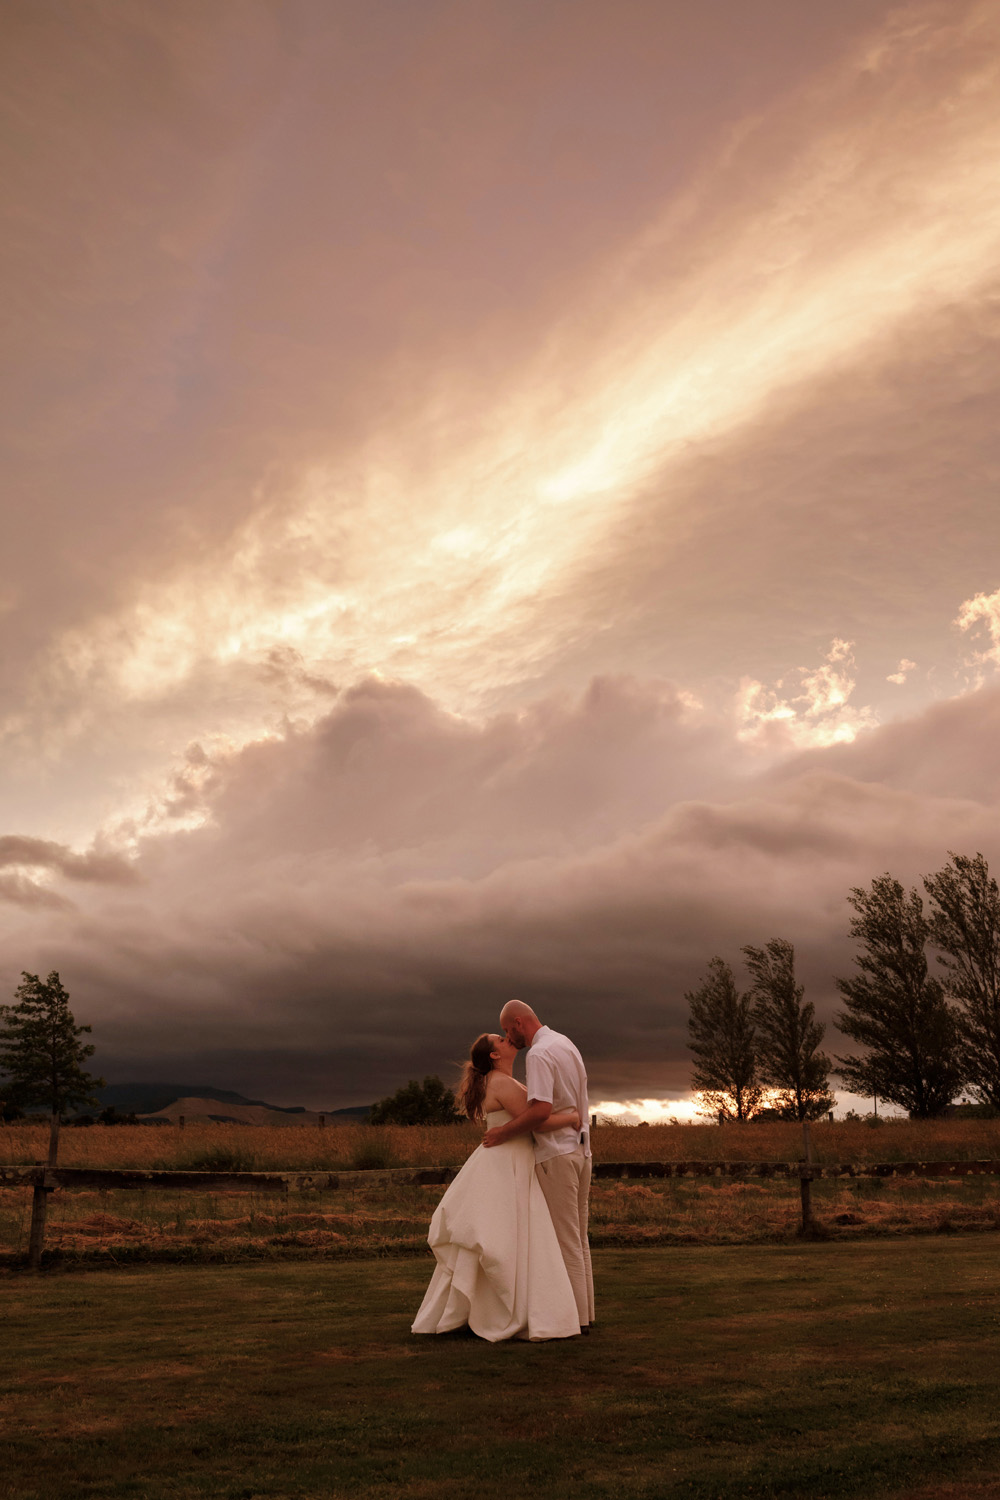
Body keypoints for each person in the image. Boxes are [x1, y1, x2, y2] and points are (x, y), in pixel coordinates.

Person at [411, 1031, 582, 1342]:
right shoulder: (501, 1082)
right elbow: (537, 1121)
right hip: (509, 1162)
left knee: (506, 1232)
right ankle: (503, 1310)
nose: (507, 1040)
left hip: (508, 1158)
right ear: (493, 1055)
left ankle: (482, 1307)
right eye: (500, 1040)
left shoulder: (499, 1082)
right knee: (509, 1232)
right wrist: (572, 1117)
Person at [483, 1000, 594, 1333]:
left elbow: (540, 1111)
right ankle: (587, 1315)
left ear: (519, 1022)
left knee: (567, 1242)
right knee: (580, 1239)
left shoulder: (538, 1054)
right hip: (582, 1151)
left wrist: (502, 1132)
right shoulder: (565, 1044)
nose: (507, 1036)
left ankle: (574, 1320)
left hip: (557, 1154)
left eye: (506, 1029)